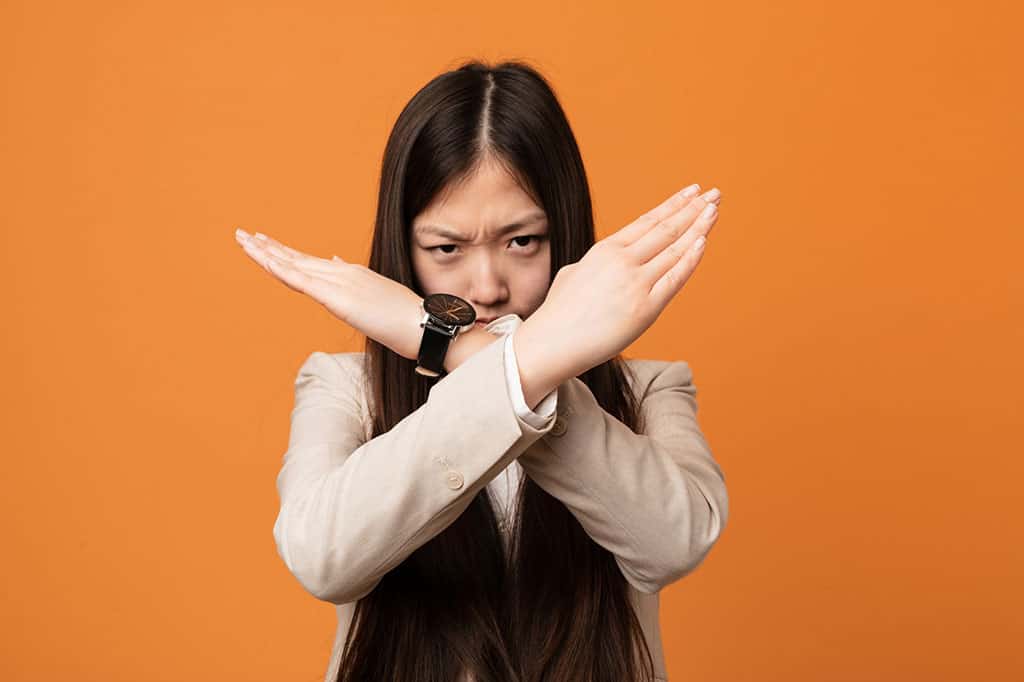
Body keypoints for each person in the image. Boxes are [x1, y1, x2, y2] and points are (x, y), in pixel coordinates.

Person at [235, 59, 728, 682]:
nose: (487, 286)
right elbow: (322, 560)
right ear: (403, 247)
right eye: (446, 249)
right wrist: (506, 368)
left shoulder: (650, 388)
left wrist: (455, 350)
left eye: (522, 242)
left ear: (565, 238)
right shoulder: (343, 387)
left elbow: (672, 544)